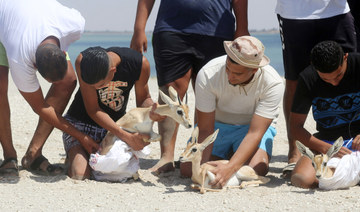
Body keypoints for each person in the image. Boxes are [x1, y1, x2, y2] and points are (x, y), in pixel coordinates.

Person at [130, 0, 250, 173]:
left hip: (217, 31)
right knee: (172, 92)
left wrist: (242, 27)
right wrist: (139, 28)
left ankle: (198, 152)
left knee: (210, 92)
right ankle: (166, 157)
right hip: (171, 27)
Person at [181, 36, 284, 186]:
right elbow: (205, 128)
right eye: (227, 69)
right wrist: (200, 171)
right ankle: (232, 156)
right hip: (217, 126)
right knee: (187, 169)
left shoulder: (273, 82)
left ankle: (233, 158)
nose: (230, 76)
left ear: (254, 69)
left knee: (257, 167)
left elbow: (255, 132)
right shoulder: (208, 73)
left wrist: (230, 167)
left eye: (237, 74)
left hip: (250, 127)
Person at [0, 0, 87, 175]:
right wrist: (81, 136)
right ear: (34, 65)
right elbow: (40, 107)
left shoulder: (75, 24)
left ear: (62, 52)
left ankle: (33, 154)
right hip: (4, 20)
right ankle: (10, 157)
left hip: (40, 17)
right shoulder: (20, 56)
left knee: (68, 80)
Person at [275, 0, 357, 176]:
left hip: (337, 10)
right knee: (294, 80)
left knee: (347, 70)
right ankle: (294, 152)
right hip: (294, 12)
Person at [62, 46, 162, 179]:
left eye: (101, 85)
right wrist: (127, 137)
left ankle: (85, 157)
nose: (96, 89)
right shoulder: (84, 61)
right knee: (80, 175)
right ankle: (76, 155)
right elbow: (93, 109)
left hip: (113, 129)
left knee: (120, 172)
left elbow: (144, 99)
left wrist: (152, 110)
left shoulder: (139, 64)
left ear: (113, 71)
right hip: (81, 125)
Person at [289, 40, 360, 188]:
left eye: (338, 75)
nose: (334, 83)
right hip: (327, 140)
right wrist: (326, 148)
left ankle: (345, 175)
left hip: (358, 138)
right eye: (326, 78)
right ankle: (347, 176)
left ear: (345, 57)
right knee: (301, 179)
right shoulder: (307, 78)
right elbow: (295, 127)